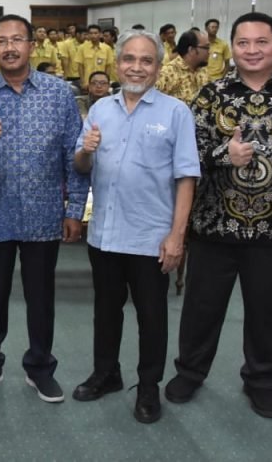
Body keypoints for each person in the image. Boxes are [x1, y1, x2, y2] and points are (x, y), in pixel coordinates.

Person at [166, 12, 272, 419]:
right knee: (201, 310)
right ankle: (190, 372)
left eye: (261, 42)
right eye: (243, 43)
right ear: (232, 48)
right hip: (214, 226)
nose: (252, 50)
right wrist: (225, 154)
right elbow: (186, 157)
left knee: (267, 313)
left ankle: (260, 380)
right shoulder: (210, 96)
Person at [0, 14, 87, 403]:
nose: (10, 47)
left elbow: (73, 154)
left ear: (32, 46)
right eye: (1, 41)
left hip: (43, 214)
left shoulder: (59, 93)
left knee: (40, 297)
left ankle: (40, 368)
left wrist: (74, 210)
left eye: (17, 40)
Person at [71, 31, 199, 424]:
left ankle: (147, 387)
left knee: (151, 317)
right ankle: (106, 373)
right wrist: (86, 151)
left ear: (158, 67)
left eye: (146, 60)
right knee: (106, 312)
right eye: (129, 59)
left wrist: (177, 236)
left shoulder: (176, 112)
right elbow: (80, 165)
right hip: (105, 234)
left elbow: (187, 177)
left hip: (150, 237)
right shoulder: (100, 109)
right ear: (117, 64)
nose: (136, 67)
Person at [156, 29, 210, 104]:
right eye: (206, 48)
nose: (209, 51)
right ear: (191, 50)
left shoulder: (203, 70)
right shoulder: (169, 72)